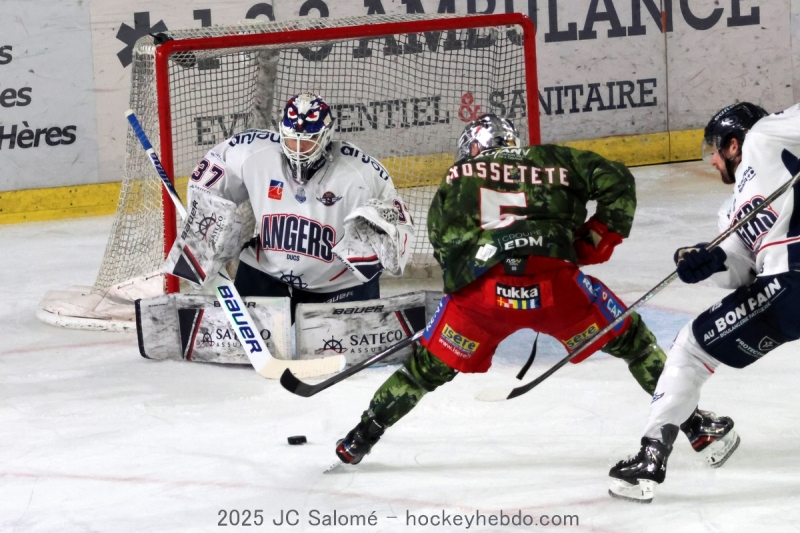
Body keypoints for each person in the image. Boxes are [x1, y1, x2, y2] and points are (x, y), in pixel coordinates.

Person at [333, 114, 731, 468]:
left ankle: (361, 437)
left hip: (483, 297)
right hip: (556, 287)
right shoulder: (552, 159)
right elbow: (617, 179)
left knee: (423, 371)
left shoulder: (455, 179)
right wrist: (598, 235)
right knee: (634, 342)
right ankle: (695, 427)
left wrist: (465, 293)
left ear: (472, 149)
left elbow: (445, 244)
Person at [608, 102, 800, 504]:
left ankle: (649, 459)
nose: (711, 160)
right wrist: (705, 261)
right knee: (696, 343)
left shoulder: (767, 135)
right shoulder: (731, 209)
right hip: (784, 289)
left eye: (714, 149)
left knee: (690, 351)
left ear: (734, 144)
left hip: (792, 279)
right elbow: (739, 270)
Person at [162, 93, 414, 320]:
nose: (298, 149)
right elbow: (209, 177)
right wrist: (207, 229)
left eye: (308, 140)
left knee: (344, 350)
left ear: (326, 136)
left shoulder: (361, 172)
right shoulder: (253, 152)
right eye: (292, 139)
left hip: (337, 287)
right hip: (267, 277)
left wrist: (380, 238)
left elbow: (397, 221)